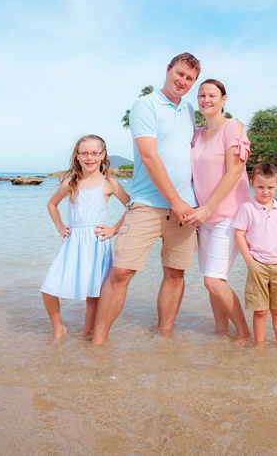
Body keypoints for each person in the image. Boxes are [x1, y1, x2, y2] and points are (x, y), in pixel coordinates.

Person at [90, 53, 201, 346]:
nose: (182, 81)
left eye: (189, 78)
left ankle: (164, 341)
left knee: (175, 274)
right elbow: (149, 156)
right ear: (168, 70)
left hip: (185, 209)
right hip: (147, 205)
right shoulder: (145, 105)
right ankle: (97, 344)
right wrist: (175, 200)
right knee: (121, 273)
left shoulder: (189, 110)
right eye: (179, 74)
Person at [41, 134, 129, 339]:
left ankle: (87, 334)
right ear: (77, 156)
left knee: (93, 294)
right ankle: (58, 329)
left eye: (95, 153)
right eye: (85, 153)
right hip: (72, 242)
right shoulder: (71, 182)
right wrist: (60, 227)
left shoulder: (109, 183)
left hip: (97, 242)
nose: (90, 158)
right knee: (48, 289)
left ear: (103, 155)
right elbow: (52, 204)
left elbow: (132, 207)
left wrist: (114, 229)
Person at [185, 79, 252, 339]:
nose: (206, 100)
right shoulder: (195, 135)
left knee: (212, 280)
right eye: (202, 95)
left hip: (230, 215)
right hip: (204, 219)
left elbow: (235, 171)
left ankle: (244, 334)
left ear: (224, 100)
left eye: (212, 95)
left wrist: (206, 208)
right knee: (213, 282)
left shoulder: (232, 127)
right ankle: (221, 334)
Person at [233, 162, 277, 349]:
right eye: (260, 187)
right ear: (252, 183)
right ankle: (259, 346)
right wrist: (249, 261)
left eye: (270, 187)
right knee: (260, 311)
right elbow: (239, 234)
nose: (265, 192)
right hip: (257, 265)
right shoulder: (247, 208)